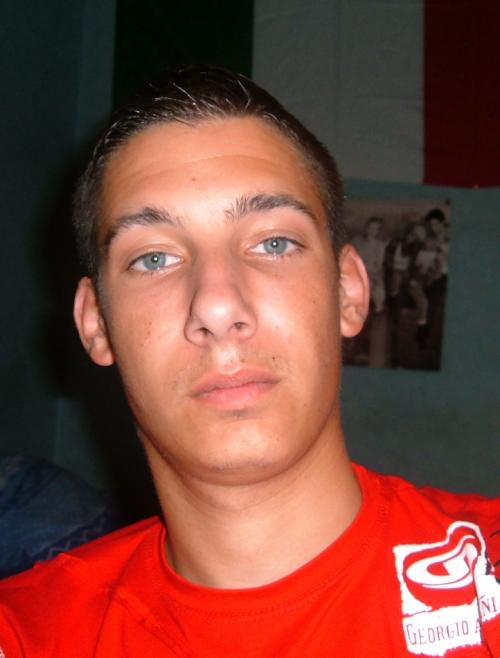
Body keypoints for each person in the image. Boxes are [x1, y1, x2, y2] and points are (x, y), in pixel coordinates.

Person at [0, 66, 498, 657]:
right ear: (96, 324)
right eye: (154, 258)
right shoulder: (29, 634)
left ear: (348, 291)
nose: (217, 306)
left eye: (273, 243)